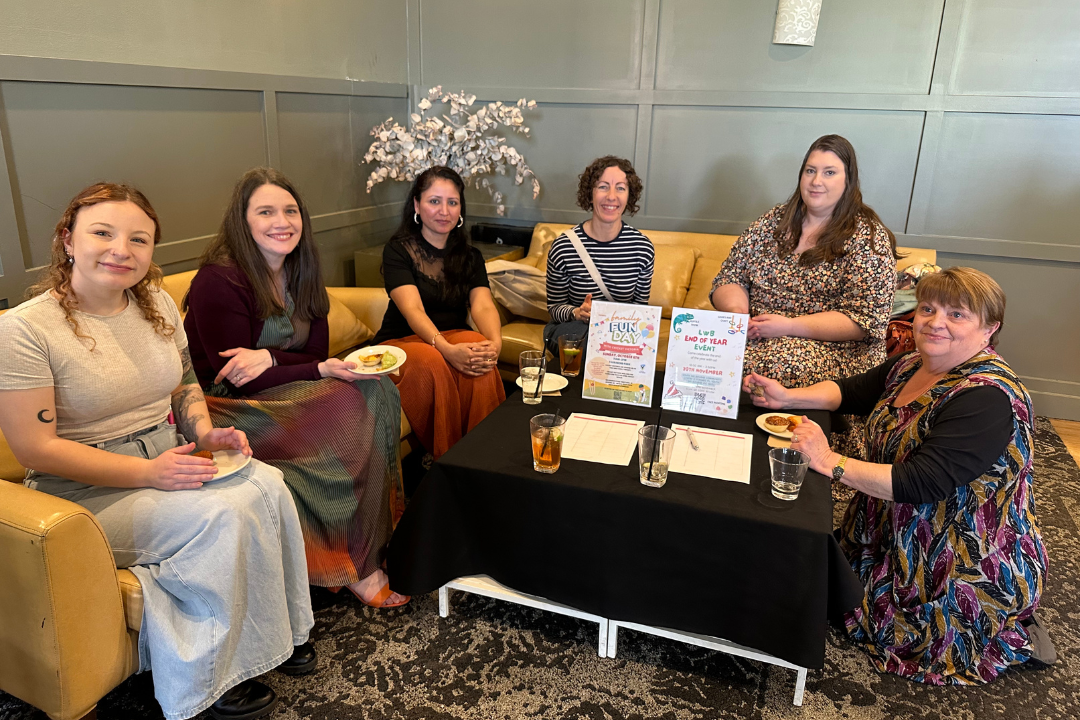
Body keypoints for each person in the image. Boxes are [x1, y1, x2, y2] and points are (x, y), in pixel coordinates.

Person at [0, 183, 315, 720]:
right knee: (220, 515)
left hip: (167, 456)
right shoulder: (24, 329)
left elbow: (186, 383)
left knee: (267, 483)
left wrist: (203, 434)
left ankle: (281, 631)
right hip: (83, 491)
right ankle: (208, 679)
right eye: (103, 233)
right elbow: (36, 448)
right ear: (67, 240)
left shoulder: (158, 304)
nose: (121, 249)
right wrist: (147, 472)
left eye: (138, 239)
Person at [745, 267, 1051, 684]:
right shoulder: (914, 362)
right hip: (891, 526)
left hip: (953, 553)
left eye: (956, 314)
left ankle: (1011, 625)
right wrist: (787, 396)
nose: (935, 322)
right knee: (816, 581)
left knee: (893, 631)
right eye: (928, 308)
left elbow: (921, 483)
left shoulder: (985, 398)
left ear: (989, 329)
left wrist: (827, 460)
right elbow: (852, 391)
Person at [183, 167, 408, 609]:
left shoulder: (301, 270)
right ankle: (351, 566)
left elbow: (317, 354)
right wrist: (301, 366)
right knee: (347, 406)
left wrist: (270, 356)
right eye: (265, 211)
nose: (280, 221)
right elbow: (236, 374)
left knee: (379, 390)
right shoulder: (219, 280)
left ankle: (373, 540)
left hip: (279, 388)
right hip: (225, 404)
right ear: (242, 222)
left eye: (290, 211)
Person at [711, 134, 897, 389]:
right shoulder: (772, 221)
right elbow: (730, 277)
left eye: (829, 172)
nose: (816, 181)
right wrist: (737, 316)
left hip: (832, 350)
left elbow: (864, 320)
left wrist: (788, 326)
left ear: (849, 180)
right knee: (703, 356)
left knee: (781, 367)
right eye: (810, 170)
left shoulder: (868, 237)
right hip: (755, 336)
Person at [371, 166, 505, 459]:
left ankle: (483, 461)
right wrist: (444, 348)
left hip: (451, 338)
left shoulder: (470, 256)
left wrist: (495, 343)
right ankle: (447, 466)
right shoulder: (398, 250)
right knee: (434, 362)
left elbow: (482, 304)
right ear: (417, 205)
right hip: (402, 341)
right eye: (434, 201)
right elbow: (412, 310)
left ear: (460, 208)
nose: (444, 211)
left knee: (480, 359)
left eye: (452, 202)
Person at [544, 155, 654, 355]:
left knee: (625, 348)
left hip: (619, 334)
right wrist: (577, 312)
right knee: (591, 345)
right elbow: (555, 307)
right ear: (590, 193)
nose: (611, 196)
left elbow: (641, 310)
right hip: (573, 330)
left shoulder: (642, 248)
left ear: (630, 195)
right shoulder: (564, 246)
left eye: (620, 188)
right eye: (603, 186)